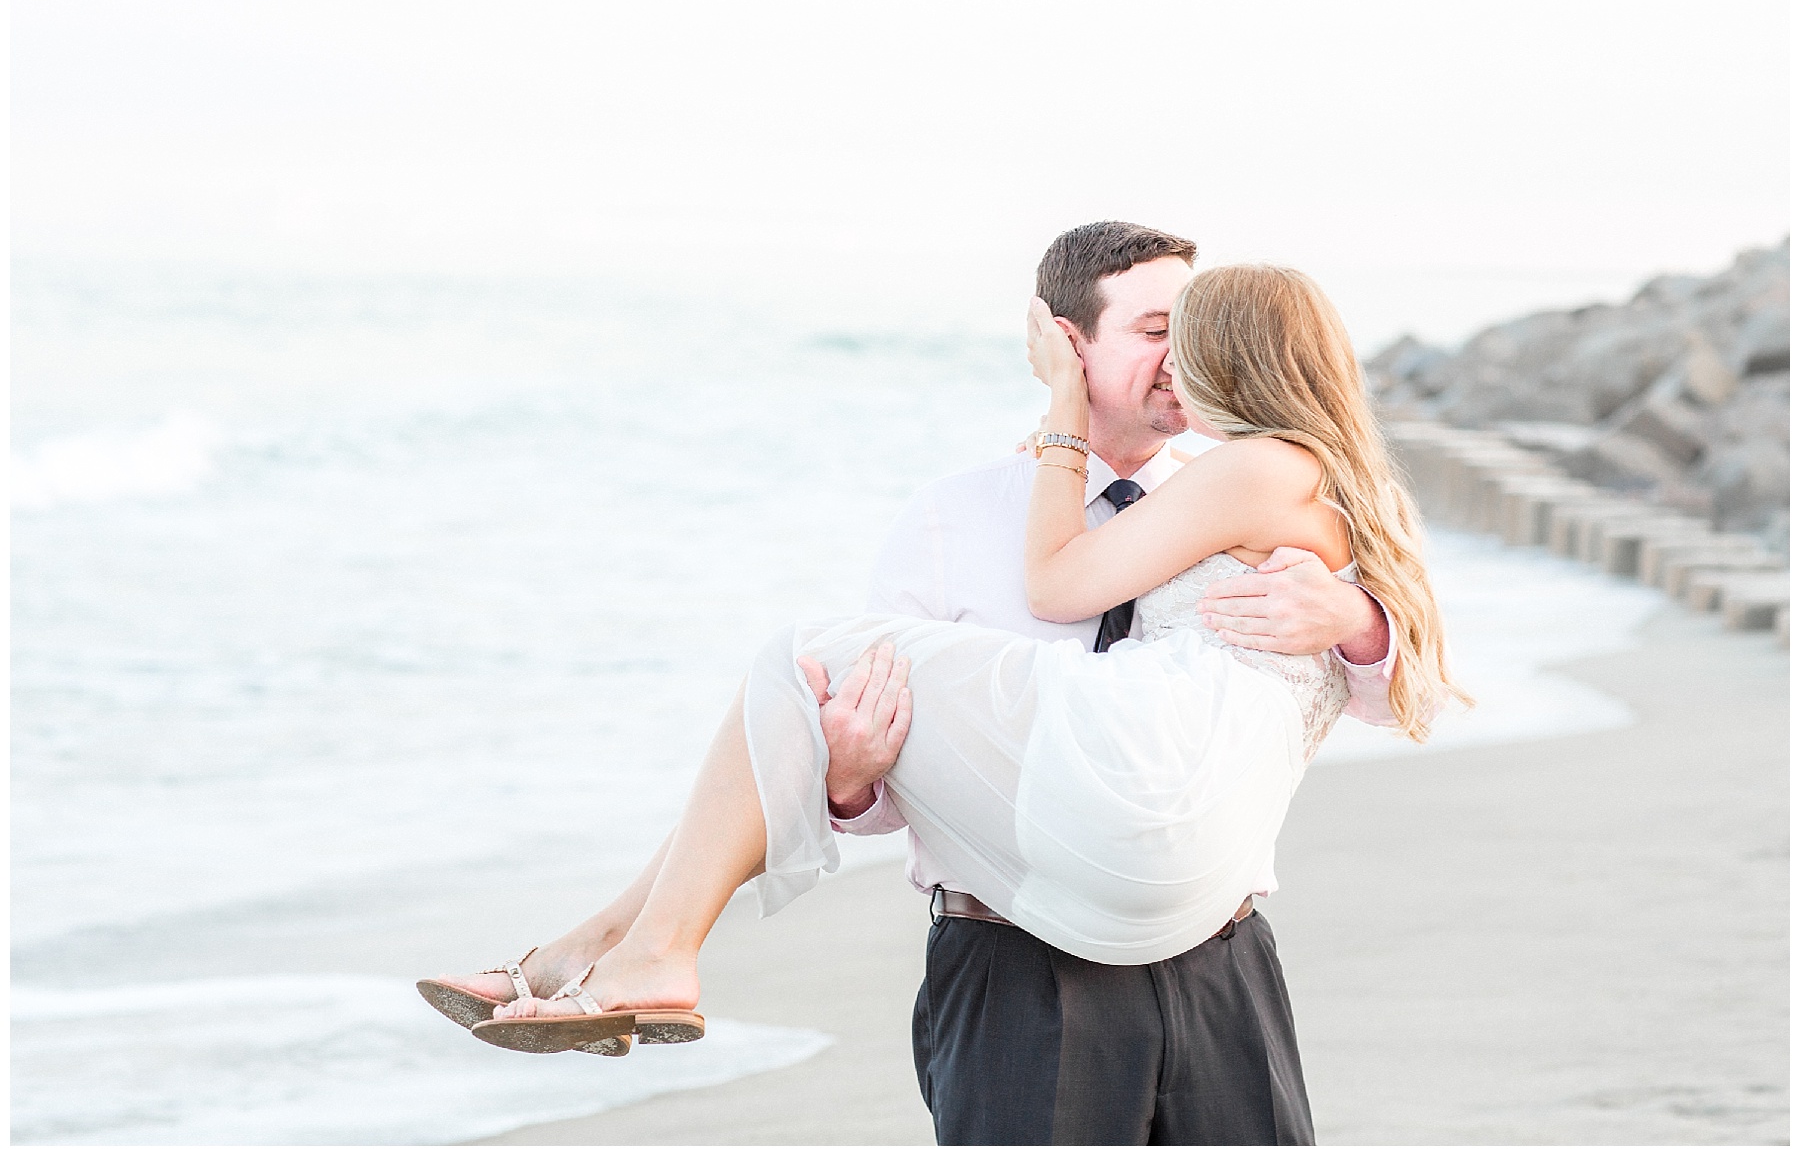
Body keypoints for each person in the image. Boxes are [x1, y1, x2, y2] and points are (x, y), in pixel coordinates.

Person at [420, 243, 1465, 1144]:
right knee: (799, 684)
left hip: (1213, 944)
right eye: (1154, 328)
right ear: (1069, 341)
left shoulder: (1243, 479)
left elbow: (1389, 683)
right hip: (1020, 959)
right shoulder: (953, 519)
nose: (1177, 358)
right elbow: (859, 774)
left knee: (791, 654)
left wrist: (1356, 620)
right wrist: (848, 779)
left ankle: (630, 949)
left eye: (1187, 329)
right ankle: (604, 946)